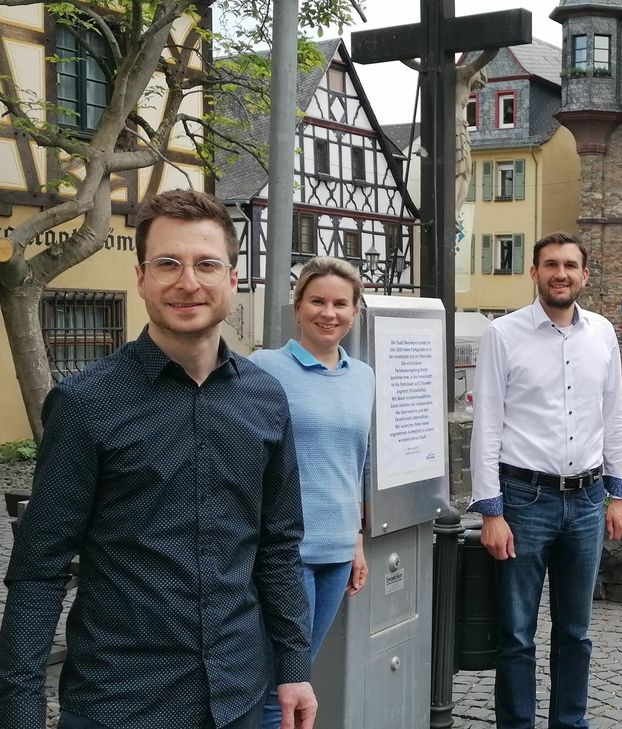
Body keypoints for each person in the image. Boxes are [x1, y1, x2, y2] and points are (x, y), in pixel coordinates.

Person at [0, 190, 317, 729]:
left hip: (236, 696)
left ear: (233, 279)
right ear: (141, 277)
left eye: (206, 264)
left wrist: (293, 665)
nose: (187, 281)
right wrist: (21, 712)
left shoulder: (265, 399)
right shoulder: (86, 404)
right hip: (120, 703)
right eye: (167, 263)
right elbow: (39, 569)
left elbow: (278, 544)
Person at [470, 231, 622, 729]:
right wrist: (492, 512)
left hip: (587, 500)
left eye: (569, 265)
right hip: (525, 501)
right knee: (517, 633)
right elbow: (488, 426)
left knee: (575, 631)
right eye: (550, 264)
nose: (559, 273)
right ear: (534, 273)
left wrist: (619, 494)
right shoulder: (503, 335)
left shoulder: (603, 333)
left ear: (585, 275)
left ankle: (570, 722)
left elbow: (615, 415)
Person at [249, 257, 374, 729]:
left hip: (337, 552)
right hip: (285, 555)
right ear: (297, 307)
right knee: (276, 688)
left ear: (355, 312)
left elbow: (356, 465)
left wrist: (357, 541)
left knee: (299, 678)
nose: (329, 312)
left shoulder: (363, 377)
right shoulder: (264, 369)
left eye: (341, 303)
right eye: (317, 301)